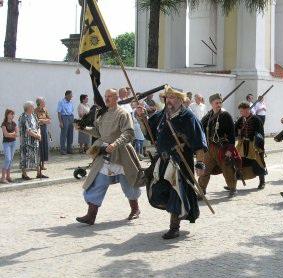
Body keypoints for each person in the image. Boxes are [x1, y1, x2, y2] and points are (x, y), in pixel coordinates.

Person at [139, 87, 207, 239]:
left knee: (177, 192)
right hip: (162, 159)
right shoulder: (162, 114)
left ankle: (174, 227)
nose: (169, 100)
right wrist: (141, 116)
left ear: (181, 100)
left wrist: (200, 163)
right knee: (159, 189)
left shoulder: (188, 117)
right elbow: (149, 130)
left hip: (180, 161)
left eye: (173, 97)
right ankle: (176, 214)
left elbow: (199, 141)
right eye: (167, 97)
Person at [75, 89, 142, 225]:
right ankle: (91, 215)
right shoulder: (103, 114)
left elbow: (128, 133)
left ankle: (135, 209)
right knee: (97, 183)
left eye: (109, 96)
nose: (106, 99)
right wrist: (83, 128)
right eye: (106, 96)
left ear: (116, 98)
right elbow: (98, 132)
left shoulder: (123, 113)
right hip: (104, 152)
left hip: (122, 153)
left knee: (129, 182)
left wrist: (115, 144)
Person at [199, 93, 238, 197]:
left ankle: (232, 188)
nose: (219, 104)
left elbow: (231, 134)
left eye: (220, 102)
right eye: (216, 102)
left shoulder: (226, 115)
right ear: (211, 103)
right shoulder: (208, 116)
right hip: (209, 148)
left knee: (227, 169)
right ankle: (201, 191)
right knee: (204, 170)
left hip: (222, 148)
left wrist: (230, 149)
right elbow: (200, 129)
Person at [234, 102, 267, 189]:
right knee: (239, 162)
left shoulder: (256, 119)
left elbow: (261, 134)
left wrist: (260, 147)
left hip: (253, 145)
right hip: (243, 144)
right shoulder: (241, 119)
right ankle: (233, 184)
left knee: (258, 162)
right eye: (240, 111)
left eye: (242, 111)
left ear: (247, 109)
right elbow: (234, 130)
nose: (241, 112)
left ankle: (262, 182)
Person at [19, 101, 47, 180]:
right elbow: (28, 130)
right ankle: (24, 174)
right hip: (26, 141)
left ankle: (39, 173)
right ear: (28, 108)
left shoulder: (34, 115)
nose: (34, 107)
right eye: (32, 106)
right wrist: (37, 135)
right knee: (25, 156)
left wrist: (39, 134)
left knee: (37, 156)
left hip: (35, 140)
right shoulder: (23, 117)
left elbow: (38, 126)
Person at [1, 109, 19, 183]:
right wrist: (13, 134)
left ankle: (8, 176)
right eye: (11, 114)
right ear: (7, 114)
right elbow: (5, 135)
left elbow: (17, 134)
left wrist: (11, 134)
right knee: (7, 159)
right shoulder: (4, 124)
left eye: (13, 114)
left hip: (13, 142)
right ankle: (2, 178)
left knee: (11, 160)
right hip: (6, 143)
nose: (12, 115)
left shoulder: (14, 123)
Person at [34, 98, 51, 171]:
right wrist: (44, 121)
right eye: (43, 101)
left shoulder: (45, 110)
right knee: (39, 147)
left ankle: (43, 165)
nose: (44, 102)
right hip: (37, 130)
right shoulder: (35, 111)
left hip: (44, 129)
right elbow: (35, 121)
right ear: (39, 103)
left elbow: (49, 120)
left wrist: (41, 120)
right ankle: (38, 165)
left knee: (44, 146)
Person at [57, 90, 74, 155]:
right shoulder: (61, 102)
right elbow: (59, 112)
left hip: (71, 117)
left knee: (70, 134)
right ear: (66, 95)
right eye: (70, 95)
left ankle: (69, 149)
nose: (71, 97)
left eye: (71, 95)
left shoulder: (71, 102)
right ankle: (62, 150)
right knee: (64, 134)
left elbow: (72, 110)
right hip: (64, 117)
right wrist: (60, 122)